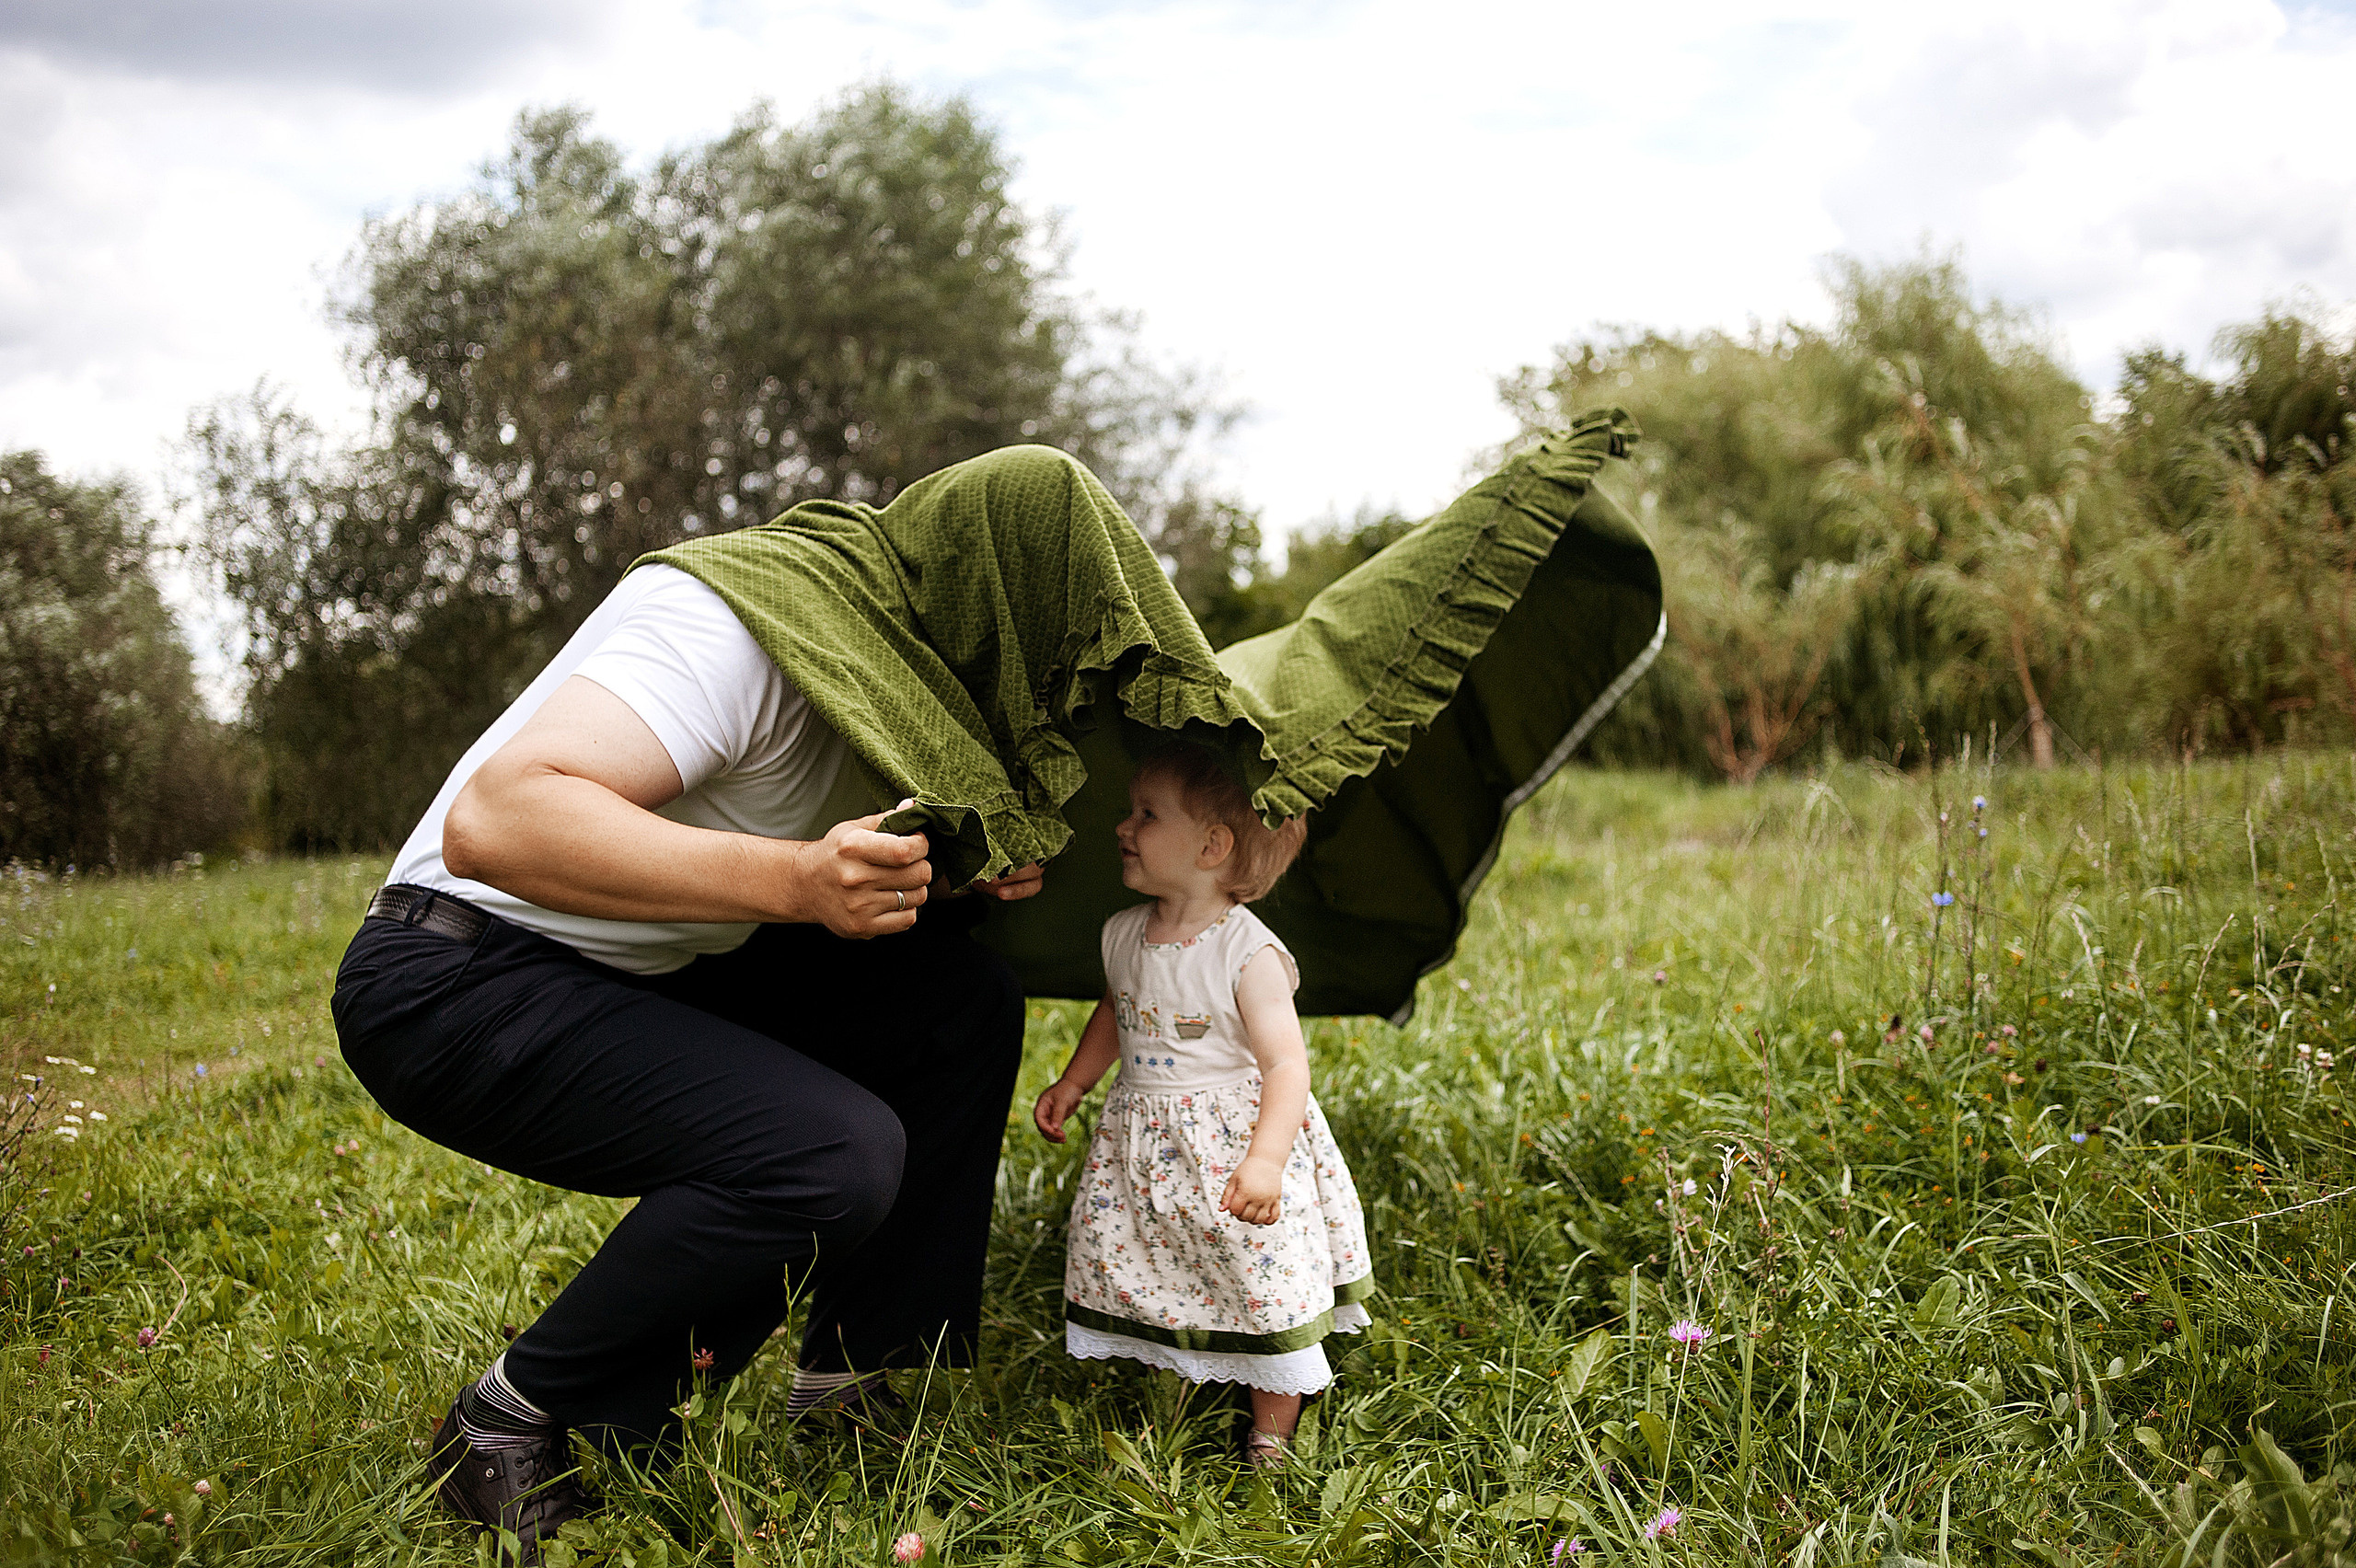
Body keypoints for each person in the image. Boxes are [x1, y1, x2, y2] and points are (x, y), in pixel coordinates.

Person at [330, 553, 1045, 1559]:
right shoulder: (726, 622)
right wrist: (800, 879)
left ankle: (842, 1380)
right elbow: (494, 825)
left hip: (650, 966)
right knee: (831, 1154)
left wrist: (962, 873)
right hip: (453, 974)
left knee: (956, 1002)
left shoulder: (909, 701)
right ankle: (510, 1415)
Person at [1032, 743, 1374, 1469]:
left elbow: (1286, 1064)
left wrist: (1267, 1159)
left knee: (1255, 1272)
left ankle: (1272, 1430)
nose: (1124, 827)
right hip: (1150, 1143)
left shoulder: (1246, 953)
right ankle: (1180, 1380)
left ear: (1213, 845)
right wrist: (1076, 1081)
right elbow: (1116, 1011)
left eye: (1147, 815)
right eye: (1132, 812)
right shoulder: (1123, 931)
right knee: (1162, 1262)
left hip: (1229, 1146)